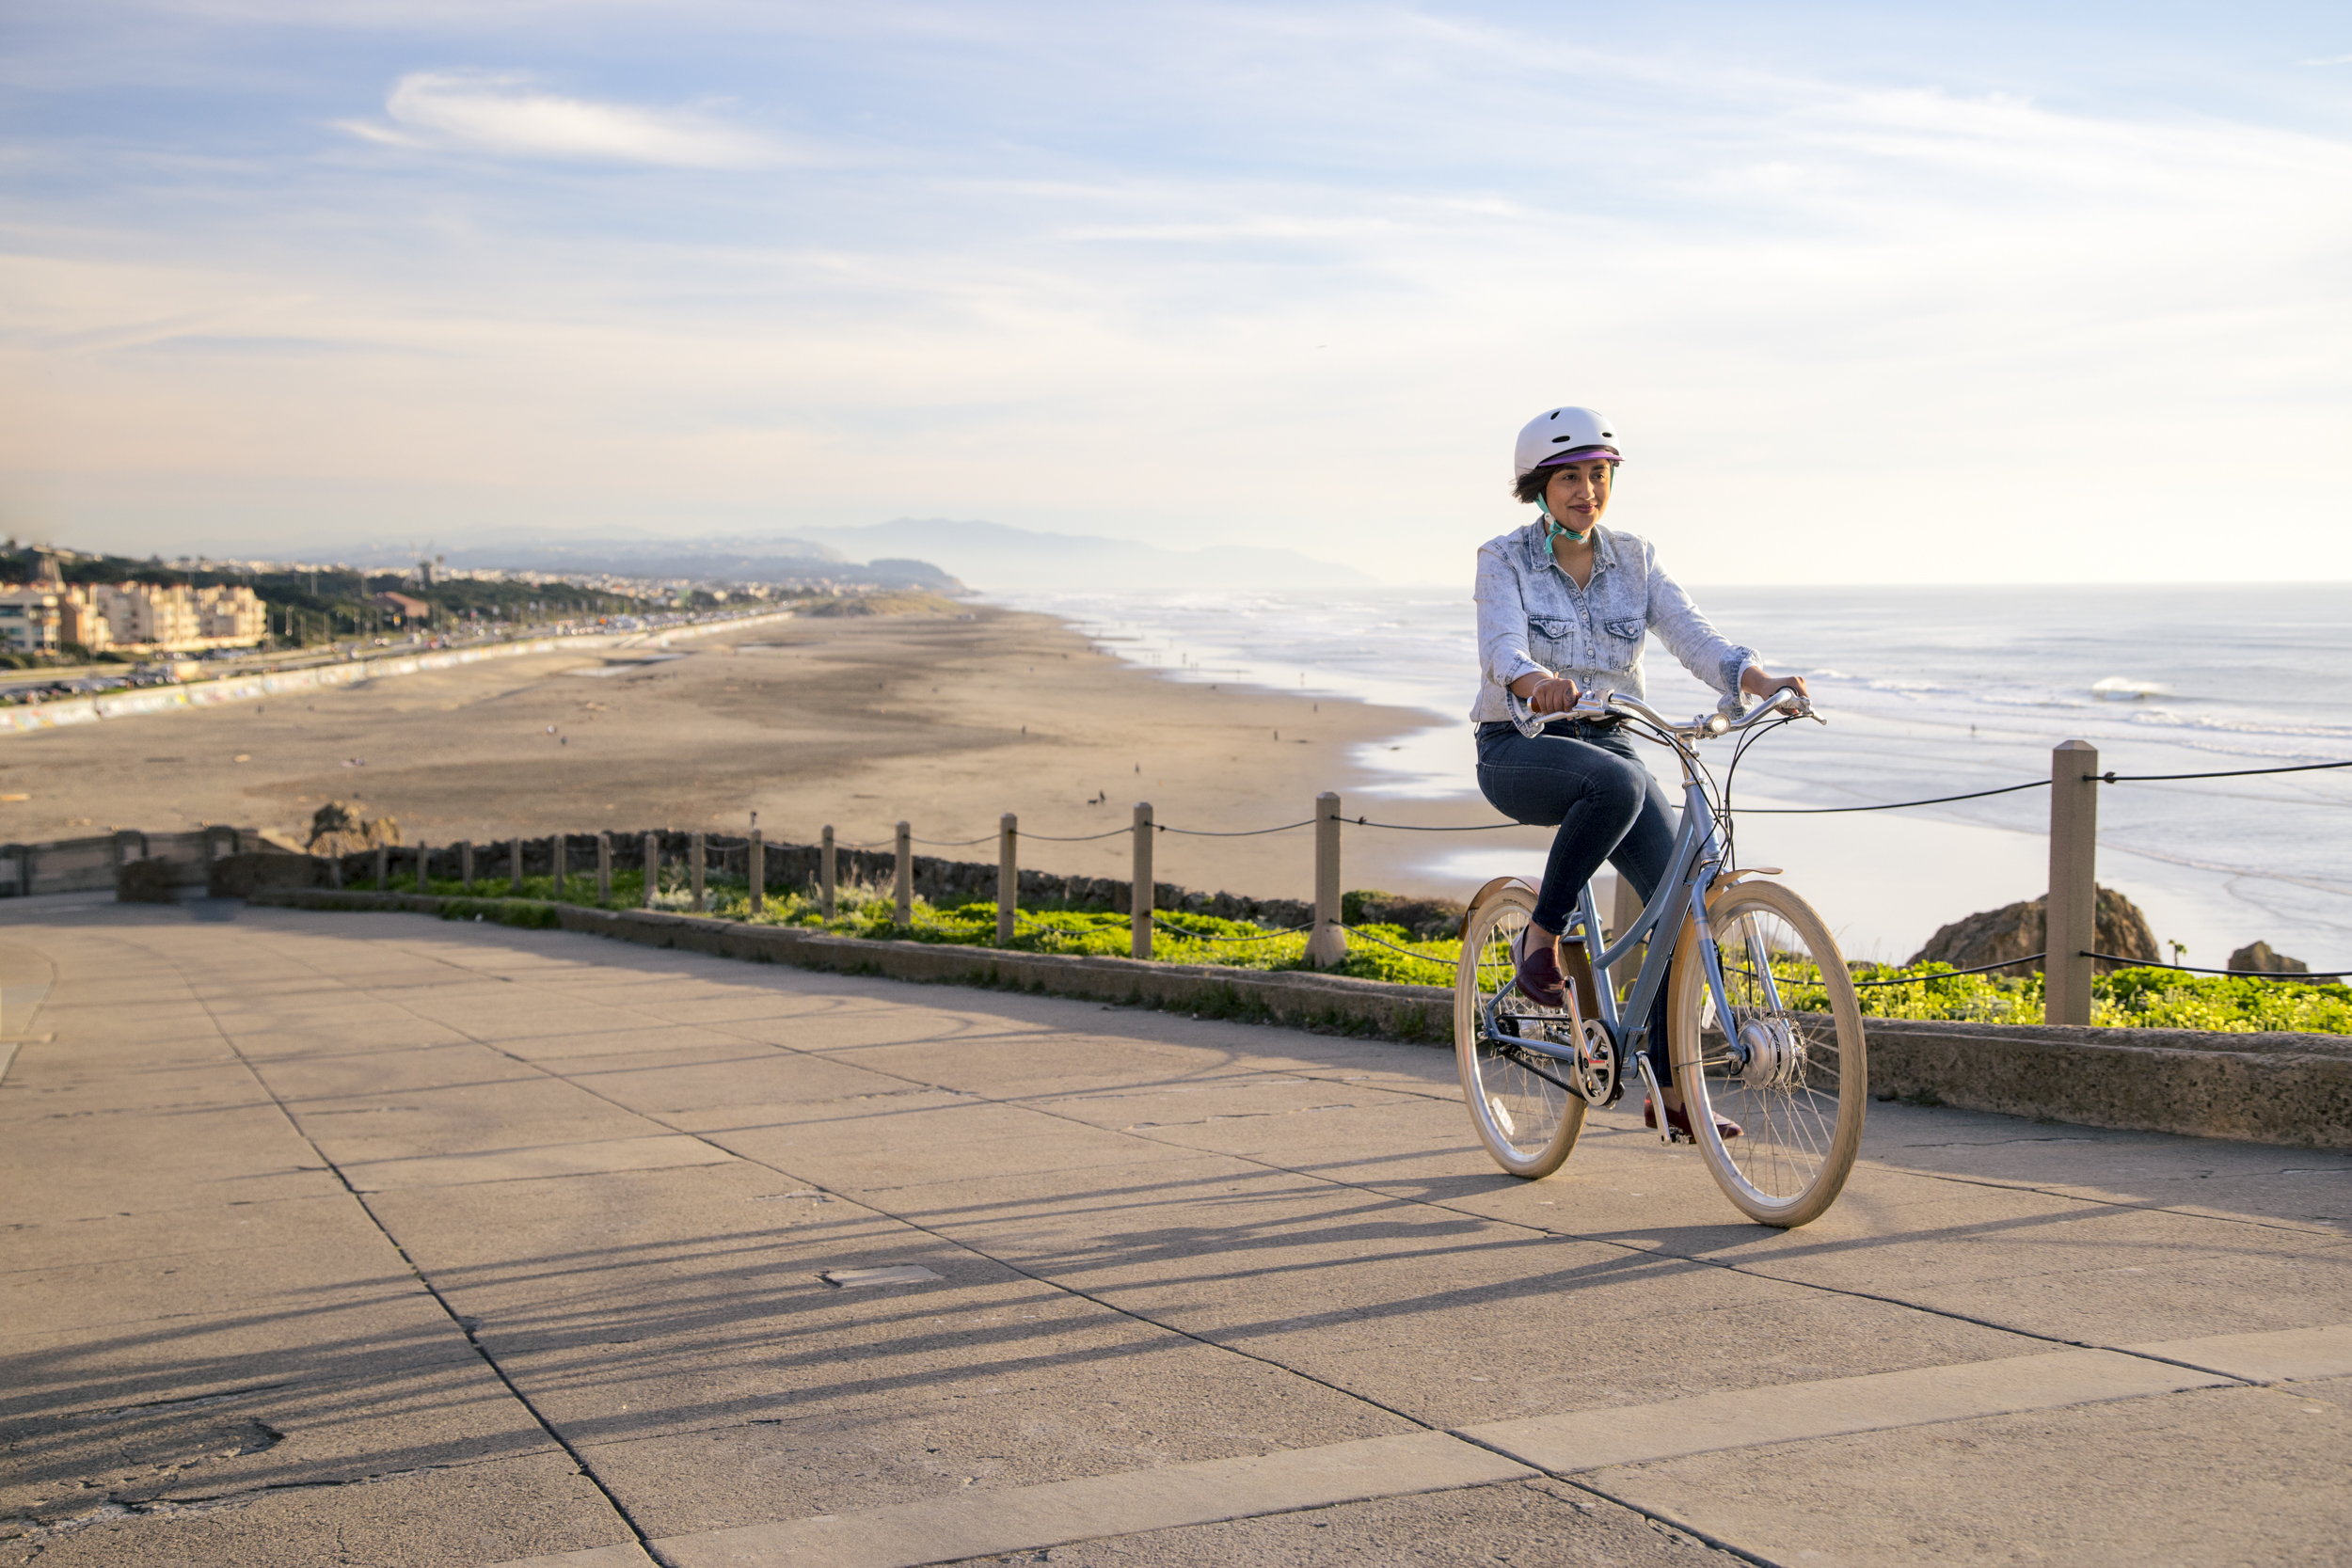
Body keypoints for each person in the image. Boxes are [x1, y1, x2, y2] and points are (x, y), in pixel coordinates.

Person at [1471, 405, 1807, 1140]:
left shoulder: (1636, 558)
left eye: (1599, 475)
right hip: (1520, 740)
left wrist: (1756, 678)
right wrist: (1535, 681)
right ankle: (1541, 938)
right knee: (1617, 786)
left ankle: (1672, 1090)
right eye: (1569, 478)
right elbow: (1500, 646)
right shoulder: (1504, 558)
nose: (1587, 490)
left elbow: (1693, 634)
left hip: (1612, 743)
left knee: (1688, 902)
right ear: (1538, 487)